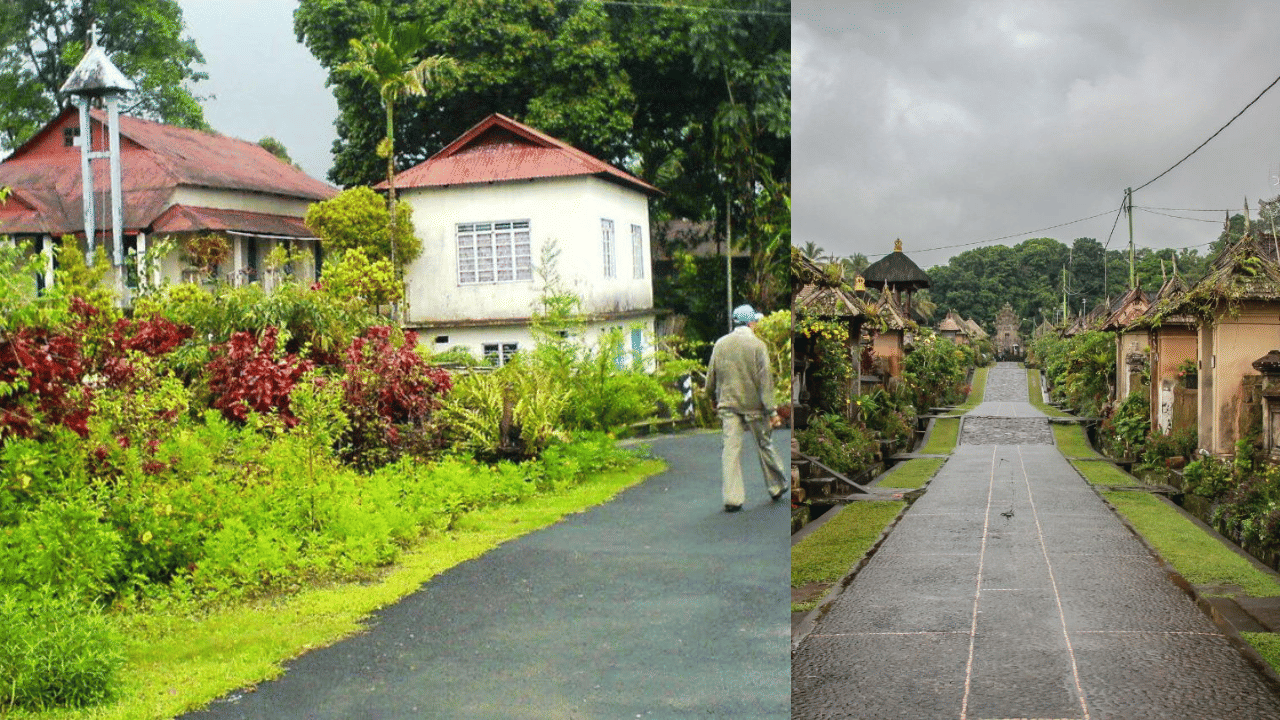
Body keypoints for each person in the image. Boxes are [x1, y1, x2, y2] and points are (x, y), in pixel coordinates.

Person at [705, 304, 788, 512]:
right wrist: (772, 411)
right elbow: (765, 381)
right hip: (755, 407)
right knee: (764, 444)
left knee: (730, 451)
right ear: (751, 322)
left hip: (728, 404)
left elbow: (710, 377)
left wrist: (711, 397)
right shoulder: (758, 345)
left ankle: (732, 499)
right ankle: (777, 485)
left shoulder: (720, 344)